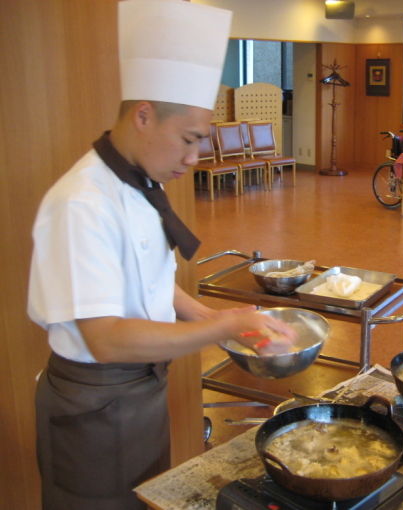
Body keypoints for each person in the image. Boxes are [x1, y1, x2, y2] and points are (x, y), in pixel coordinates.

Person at [27, 2, 296, 509]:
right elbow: (105, 339)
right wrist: (223, 328)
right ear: (144, 115)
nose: (194, 159)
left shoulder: (139, 182)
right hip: (95, 405)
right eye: (189, 140)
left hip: (140, 391)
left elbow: (149, 283)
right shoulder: (82, 202)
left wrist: (217, 316)